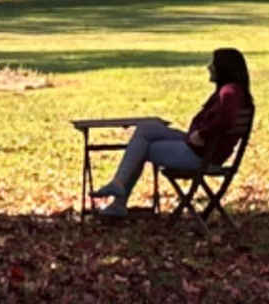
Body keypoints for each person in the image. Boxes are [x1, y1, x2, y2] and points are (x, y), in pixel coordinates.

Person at [93, 46, 252, 214]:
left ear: (224, 68)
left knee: (142, 148)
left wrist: (202, 134)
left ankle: (118, 200)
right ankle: (118, 186)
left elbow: (227, 119)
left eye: (213, 63)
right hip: (199, 148)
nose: (209, 67)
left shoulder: (230, 92)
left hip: (201, 155)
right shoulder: (234, 91)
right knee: (146, 128)